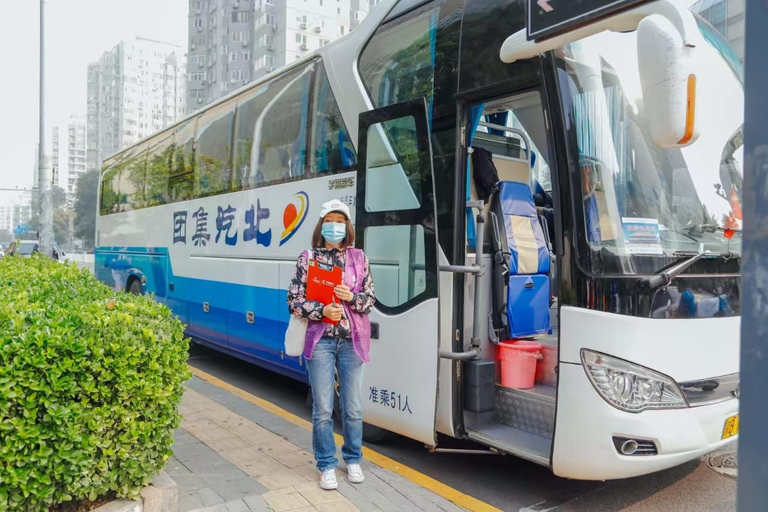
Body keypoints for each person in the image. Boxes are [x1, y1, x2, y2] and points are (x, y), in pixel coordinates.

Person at [286, 199, 375, 490]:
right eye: (329, 220)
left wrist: (351, 298)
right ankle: (326, 464)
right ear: (321, 225)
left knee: (353, 408)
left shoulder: (359, 258)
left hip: (351, 343)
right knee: (323, 409)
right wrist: (321, 312)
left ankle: (352, 459)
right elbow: (294, 301)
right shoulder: (308, 258)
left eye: (340, 221)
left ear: (347, 227)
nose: (335, 226)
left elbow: (369, 299)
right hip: (321, 341)